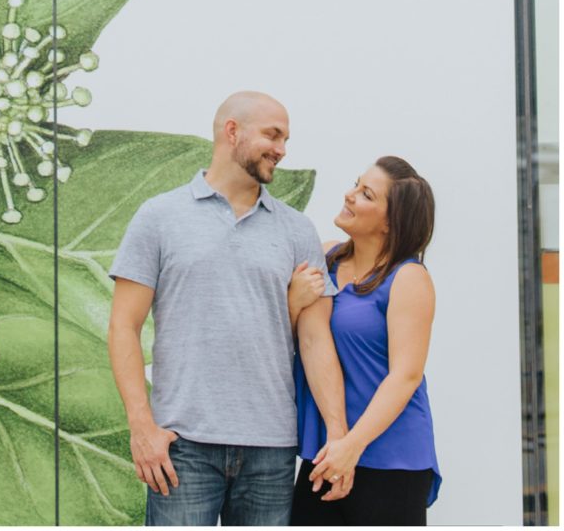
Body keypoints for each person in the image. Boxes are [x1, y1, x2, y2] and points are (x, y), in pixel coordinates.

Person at [107, 91, 352, 526]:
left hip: (271, 448)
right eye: (273, 135)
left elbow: (315, 339)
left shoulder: (297, 230)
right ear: (232, 131)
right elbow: (124, 326)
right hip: (183, 445)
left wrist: (338, 435)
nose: (282, 149)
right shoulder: (159, 217)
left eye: (286, 139)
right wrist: (141, 428)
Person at [289, 156, 440, 526]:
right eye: (356, 185)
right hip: (326, 451)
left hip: (389, 458)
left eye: (366, 194)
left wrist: (351, 447)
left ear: (391, 222)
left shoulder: (409, 278)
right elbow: (298, 341)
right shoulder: (324, 258)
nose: (350, 195)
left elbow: (405, 376)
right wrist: (293, 301)